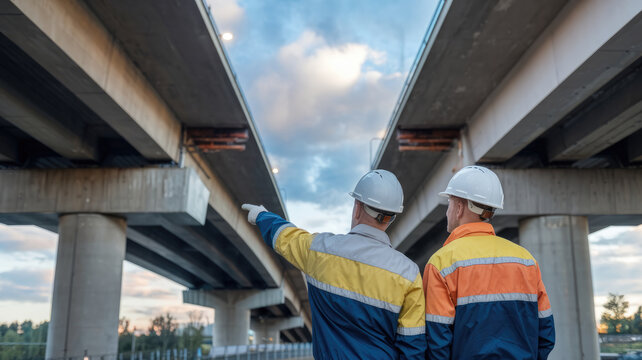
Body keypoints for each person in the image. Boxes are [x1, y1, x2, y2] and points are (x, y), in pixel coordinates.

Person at [242, 169, 426, 359]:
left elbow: (286, 237)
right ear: (392, 217)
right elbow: (413, 346)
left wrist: (262, 216)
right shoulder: (408, 274)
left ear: (357, 207)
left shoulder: (320, 250)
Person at [423, 165, 555, 359]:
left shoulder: (441, 264)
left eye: (449, 203)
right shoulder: (526, 260)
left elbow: (436, 342)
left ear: (459, 208)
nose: (447, 212)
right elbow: (545, 333)